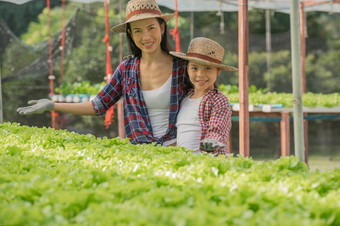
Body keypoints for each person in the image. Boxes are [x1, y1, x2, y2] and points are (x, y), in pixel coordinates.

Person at [17, 0, 192, 146]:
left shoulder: (183, 66)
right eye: (138, 31)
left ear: (162, 28)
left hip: (179, 147)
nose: (146, 36)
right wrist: (52, 105)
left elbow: (204, 100)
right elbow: (98, 105)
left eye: (151, 28)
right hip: (142, 151)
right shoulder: (126, 70)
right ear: (130, 34)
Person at [170, 37, 238, 155]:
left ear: (218, 71)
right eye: (194, 68)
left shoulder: (218, 100)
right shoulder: (185, 99)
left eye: (207, 68)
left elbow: (217, 130)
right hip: (185, 165)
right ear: (187, 69)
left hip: (207, 163)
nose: (200, 74)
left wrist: (210, 144)